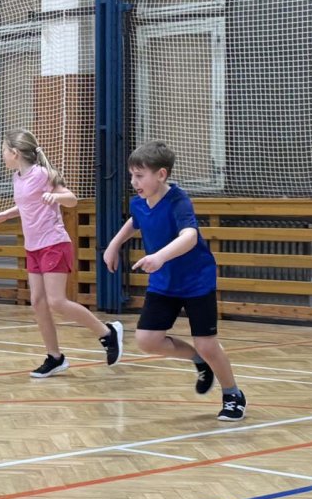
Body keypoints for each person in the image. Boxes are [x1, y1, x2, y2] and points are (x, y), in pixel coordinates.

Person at [104, 140, 246, 421]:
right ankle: (197, 359)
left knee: (207, 343)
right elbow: (135, 220)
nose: (133, 182)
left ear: (161, 174)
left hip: (196, 281)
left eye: (139, 175)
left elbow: (189, 237)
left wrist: (160, 256)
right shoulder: (140, 202)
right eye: (131, 175)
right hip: (163, 283)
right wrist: (114, 244)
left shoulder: (178, 201)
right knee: (147, 340)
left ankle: (233, 394)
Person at [0, 128, 124, 379]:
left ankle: (107, 333)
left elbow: (72, 199)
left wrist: (55, 196)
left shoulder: (41, 174)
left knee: (57, 301)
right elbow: (27, 204)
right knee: (38, 302)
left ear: (15, 153)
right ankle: (55, 357)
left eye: (4, 150)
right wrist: (5, 214)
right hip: (33, 247)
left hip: (54, 243)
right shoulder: (18, 177)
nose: (2, 154)